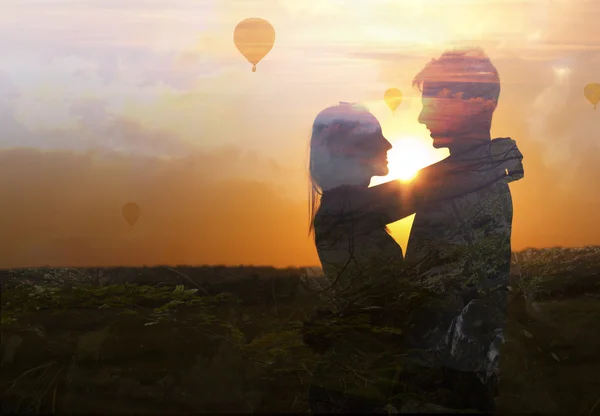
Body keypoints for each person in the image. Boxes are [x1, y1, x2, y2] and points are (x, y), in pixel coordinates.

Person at [304, 101, 524, 413]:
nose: (388, 144)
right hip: (354, 382)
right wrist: (490, 158)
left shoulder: (344, 208)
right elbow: (425, 188)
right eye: (375, 136)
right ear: (349, 147)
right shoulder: (342, 208)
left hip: (362, 374)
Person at [403, 47, 525, 412]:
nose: (423, 117)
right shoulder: (470, 176)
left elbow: (476, 303)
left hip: (447, 387)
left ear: (475, 103)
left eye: (433, 104)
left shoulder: (473, 186)